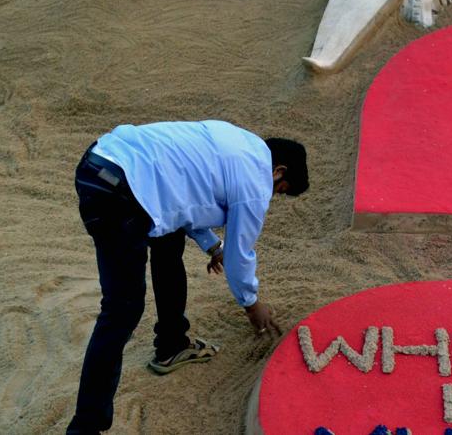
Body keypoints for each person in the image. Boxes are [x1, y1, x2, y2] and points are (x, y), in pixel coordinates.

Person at [66, 120, 308, 435]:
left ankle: (172, 345)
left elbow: (180, 197)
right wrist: (251, 304)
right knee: (122, 309)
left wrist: (211, 245)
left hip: (103, 163)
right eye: (279, 190)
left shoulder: (236, 141)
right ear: (278, 171)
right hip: (120, 193)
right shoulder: (255, 180)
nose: (270, 196)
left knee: (168, 240)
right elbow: (240, 253)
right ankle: (84, 428)